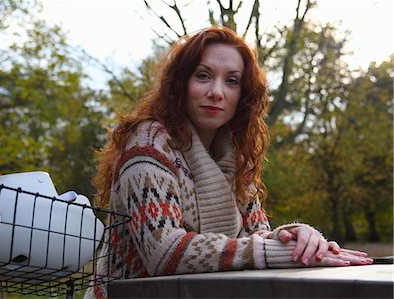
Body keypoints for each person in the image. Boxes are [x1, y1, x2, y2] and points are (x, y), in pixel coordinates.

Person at [84, 27, 372, 299]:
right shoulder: (149, 143)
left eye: (231, 81)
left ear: (242, 95)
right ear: (181, 83)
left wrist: (296, 238)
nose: (217, 92)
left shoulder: (235, 155)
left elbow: (255, 237)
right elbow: (164, 251)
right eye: (203, 76)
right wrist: (271, 251)